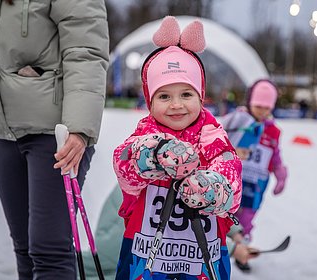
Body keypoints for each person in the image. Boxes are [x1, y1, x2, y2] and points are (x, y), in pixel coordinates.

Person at [0, 1, 109, 279]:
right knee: (25, 248)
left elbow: (86, 52)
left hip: (56, 135)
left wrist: (78, 129)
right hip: (3, 130)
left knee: (49, 250)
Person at [112, 16, 243, 279]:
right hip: (145, 255)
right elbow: (124, 164)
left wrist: (212, 188)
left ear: (201, 95)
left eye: (186, 94)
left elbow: (232, 177)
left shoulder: (213, 137)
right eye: (164, 96)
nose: (176, 105)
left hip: (201, 259)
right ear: (149, 101)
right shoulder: (144, 134)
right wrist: (154, 154)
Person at [221, 79, 288, 272]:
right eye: (258, 106)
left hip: (256, 183)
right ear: (250, 101)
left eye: (267, 107)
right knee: (226, 215)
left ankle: (243, 253)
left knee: (247, 220)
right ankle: (223, 246)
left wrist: (280, 172)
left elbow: (275, 153)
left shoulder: (273, 130)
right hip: (232, 179)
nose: (262, 111)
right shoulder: (238, 121)